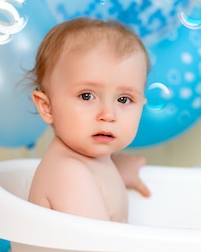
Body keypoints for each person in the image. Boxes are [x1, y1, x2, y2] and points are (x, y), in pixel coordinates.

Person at [27, 17, 151, 222]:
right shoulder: (69, 175)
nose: (108, 115)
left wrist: (119, 173)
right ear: (46, 106)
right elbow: (96, 249)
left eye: (124, 99)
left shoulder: (87, 163)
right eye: (87, 96)